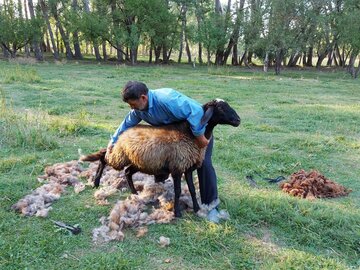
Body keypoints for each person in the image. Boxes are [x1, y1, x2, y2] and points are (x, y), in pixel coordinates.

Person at [107, 81, 220, 223]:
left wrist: (200, 137)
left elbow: (196, 110)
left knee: (203, 164)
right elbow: (127, 123)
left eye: (133, 104)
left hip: (197, 133)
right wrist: (112, 142)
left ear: (143, 98)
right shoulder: (139, 110)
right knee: (159, 159)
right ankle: (162, 191)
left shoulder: (168, 99)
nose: (132, 108)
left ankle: (211, 205)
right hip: (173, 140)